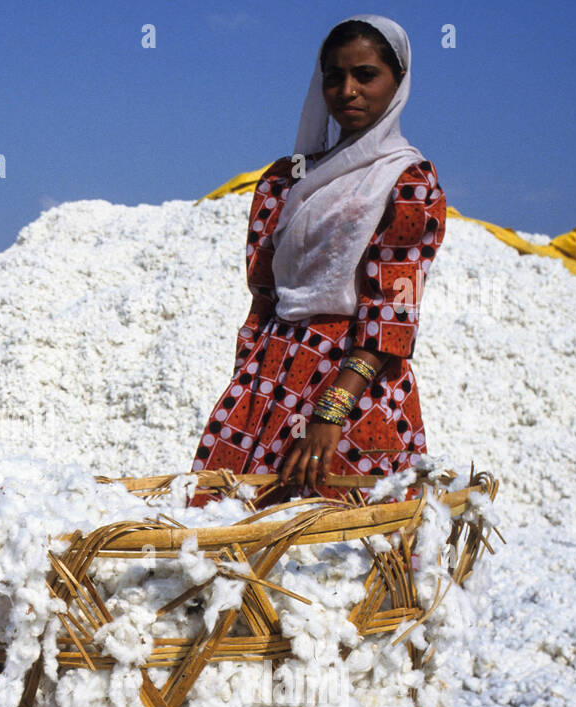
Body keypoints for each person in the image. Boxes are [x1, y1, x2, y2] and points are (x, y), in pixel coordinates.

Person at [191, 15, 445, 504]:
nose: (347, 89)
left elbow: (392, 311)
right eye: (334, 75)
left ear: (397, 81)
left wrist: (331, 411)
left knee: (340, 538)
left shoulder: (409, 183)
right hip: (269, 375)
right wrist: (249, 375)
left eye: (365, 75)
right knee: (223, 521)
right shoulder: (286, 181)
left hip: (354, 378)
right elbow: (265, 294)